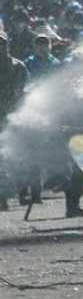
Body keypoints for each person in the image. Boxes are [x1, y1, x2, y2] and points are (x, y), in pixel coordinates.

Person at [0, 30, 28, 212]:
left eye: (2, 43)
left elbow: (22, 92)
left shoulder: (18, 66)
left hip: (11, 116)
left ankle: (15, 192)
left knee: (12, 157)